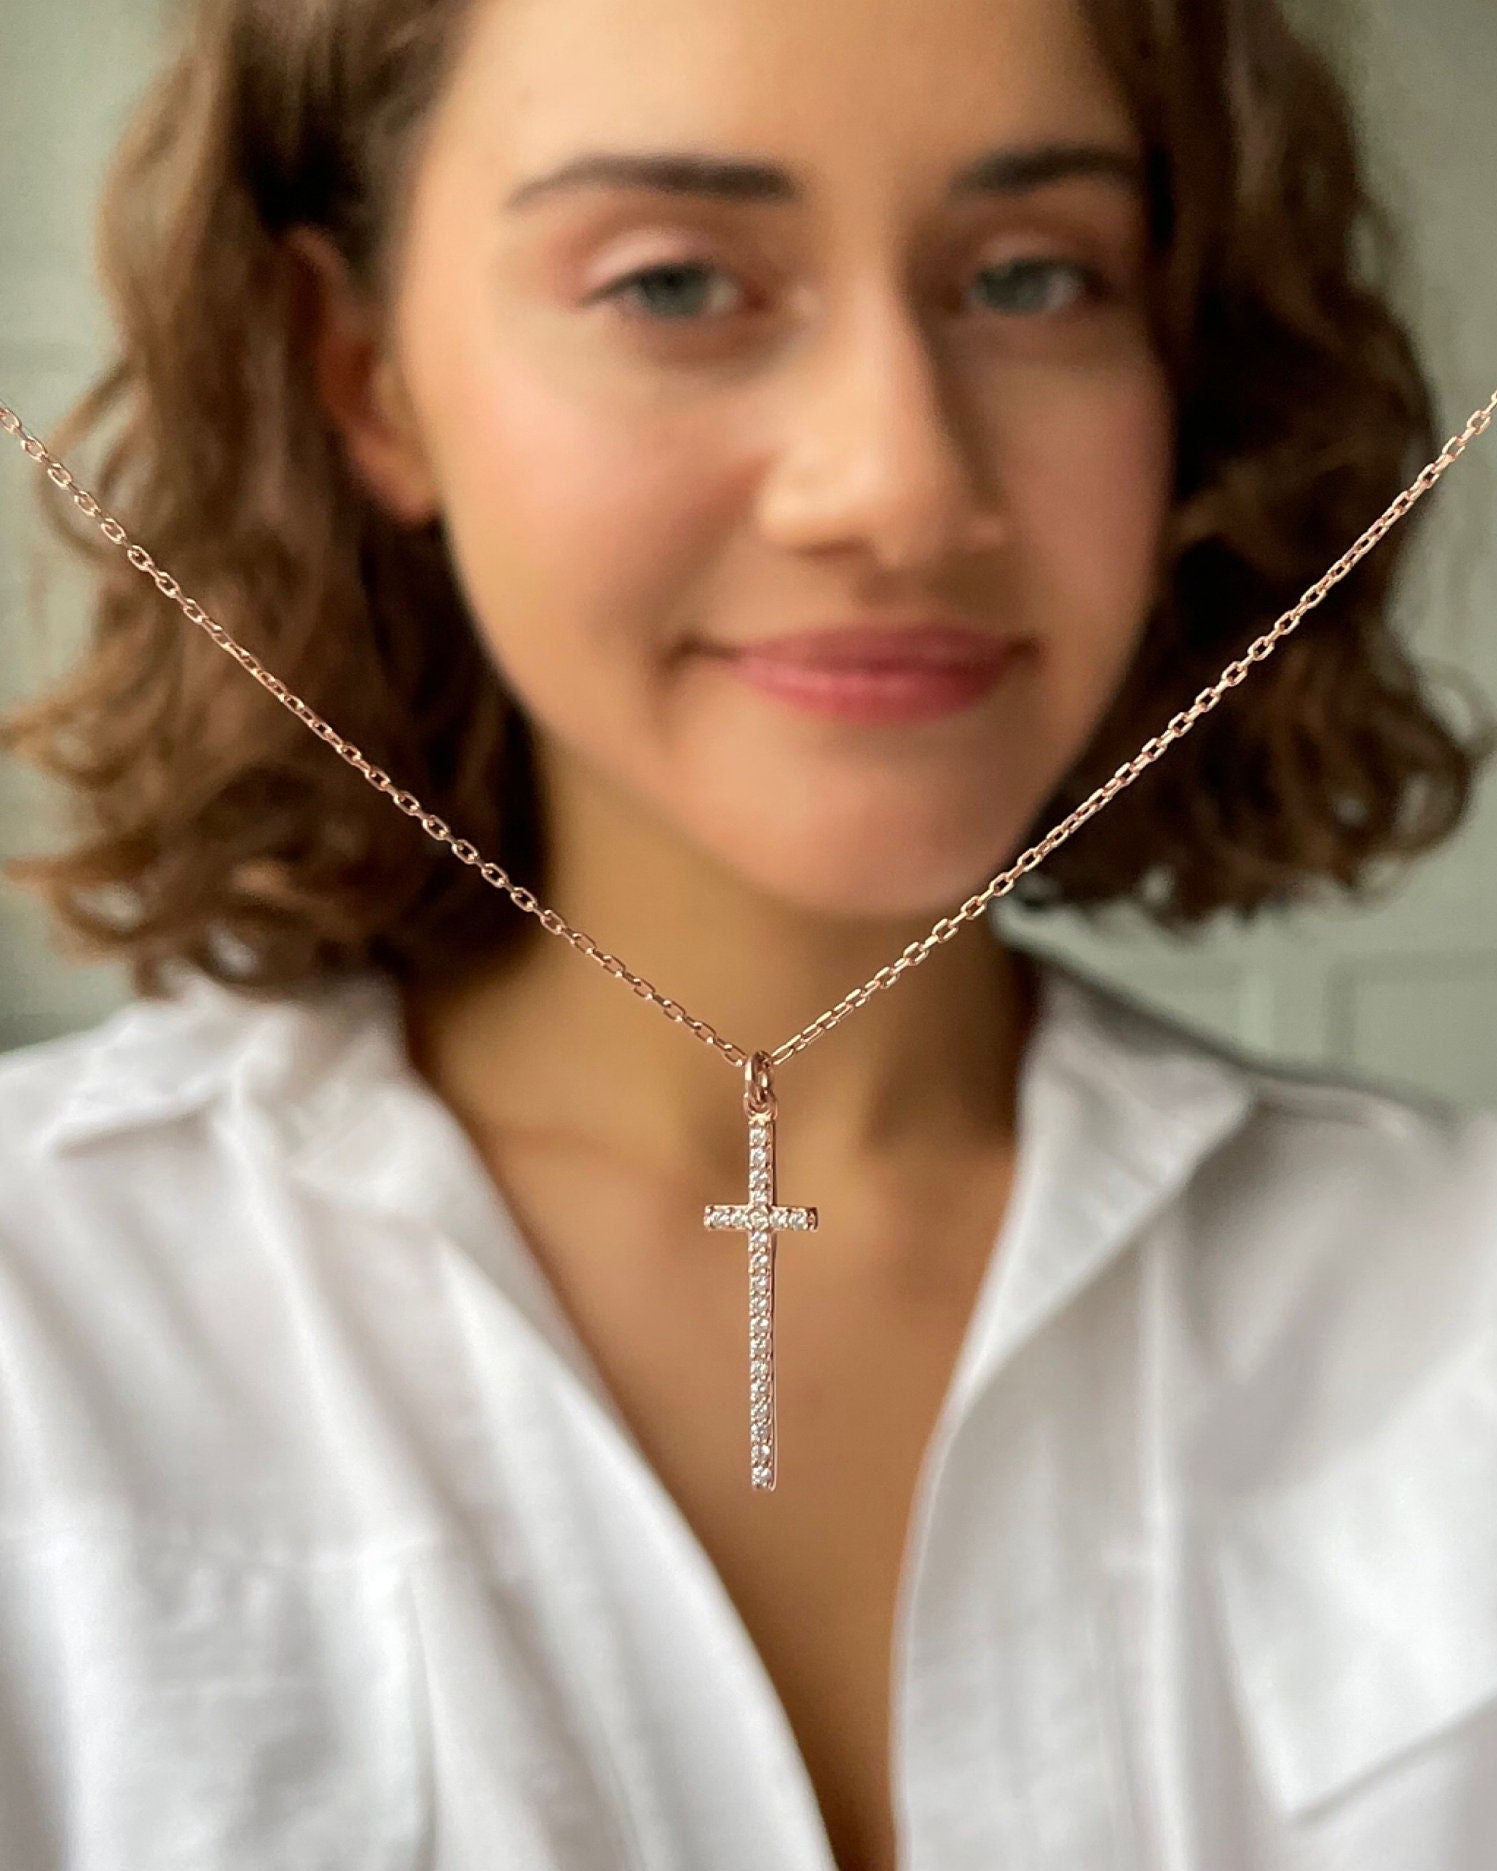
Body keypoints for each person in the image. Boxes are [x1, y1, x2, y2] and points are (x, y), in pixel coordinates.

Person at [0, 0, 1493, 1863]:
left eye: (1032, 278)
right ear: (365, 374)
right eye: (673, 285)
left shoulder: (1456, 1303)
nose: (899, 486)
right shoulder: (42, 1326)